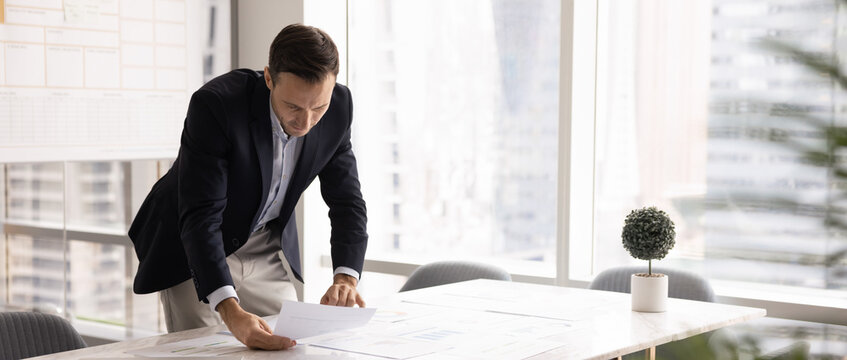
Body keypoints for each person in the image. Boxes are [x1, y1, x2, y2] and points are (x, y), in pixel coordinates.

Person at [128, 24, 368, 350]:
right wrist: (229, 309)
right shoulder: (216, 106)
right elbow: (201, 216)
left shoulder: (339, 107)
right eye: (294, 107)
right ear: (269, 78)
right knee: (203, 352)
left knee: (288, 345)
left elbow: (347, 201)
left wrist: (345, 277)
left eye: (318, 108)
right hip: (192, 244)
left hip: (264, 243)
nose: (306, 122)